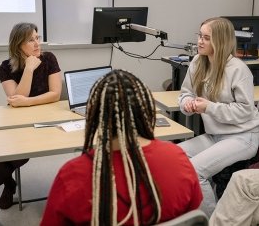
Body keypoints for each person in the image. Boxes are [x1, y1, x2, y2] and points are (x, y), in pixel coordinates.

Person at [41, 69, 202, 226]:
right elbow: (193, 215)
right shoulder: (177, 158)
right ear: (146, 110)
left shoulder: (72, 175)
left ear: (95, 116)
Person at [178, 17, 259, 218]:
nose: (200, 41)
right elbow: (185, 94)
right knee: (173, 157)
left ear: (220, 41)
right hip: (215, 135)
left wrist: (209, 107)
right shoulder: (198, 62)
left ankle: (215, 220)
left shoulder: (238, 70)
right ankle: (187, 212)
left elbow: (244, 111)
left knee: (195, 171)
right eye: (199, 36)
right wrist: (188, 105)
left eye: (206, 38)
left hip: (243, 136)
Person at [0, 22, 62, 209]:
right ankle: (9, 184)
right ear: (18, 45)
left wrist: (29, 102)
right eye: (30, 40)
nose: (36, 43)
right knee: (3, 156)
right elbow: (16, 99)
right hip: (19, 120)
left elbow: (55, 94)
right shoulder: (5, 67)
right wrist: (28, 69)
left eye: (37, 38)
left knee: (9, 161)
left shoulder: (49, 58)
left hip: (48, 117)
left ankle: (5, 181)